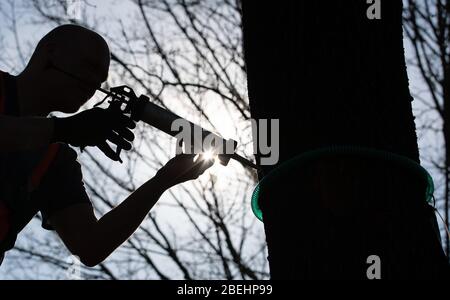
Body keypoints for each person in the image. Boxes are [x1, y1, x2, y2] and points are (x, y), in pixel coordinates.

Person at [0, 24, 214, 267]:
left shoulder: (55, 159)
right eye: (88, 67)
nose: (93, 85)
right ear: (51, 53)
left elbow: (90, 246)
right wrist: (64, 129)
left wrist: (163, 180)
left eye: (100, 79)